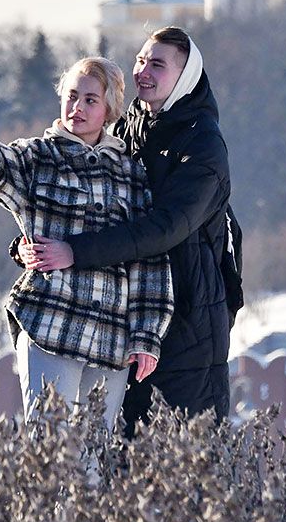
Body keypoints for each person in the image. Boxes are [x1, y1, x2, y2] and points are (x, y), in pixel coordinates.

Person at [0, 56, 172, 430]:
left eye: (90, 100)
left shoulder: (131, 174)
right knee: (50, 450)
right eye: (72, 95)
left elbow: (148, 258)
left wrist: (146, 335)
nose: (77, 107)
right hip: (50, 323)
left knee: (94, 462)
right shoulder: (38, 158)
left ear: (109, 109)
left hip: (109, 340)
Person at [22, 26, 234, 429]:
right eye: (140, 60)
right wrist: (32, 243)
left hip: (188, 321)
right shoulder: (127, 128)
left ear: (185, 75)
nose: (144, 72)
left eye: (158, 65)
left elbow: (165, 228)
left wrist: (74, 251)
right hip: (123, 317)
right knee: (113, 456)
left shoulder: (204, 144)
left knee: (183, 457)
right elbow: (88, 205)